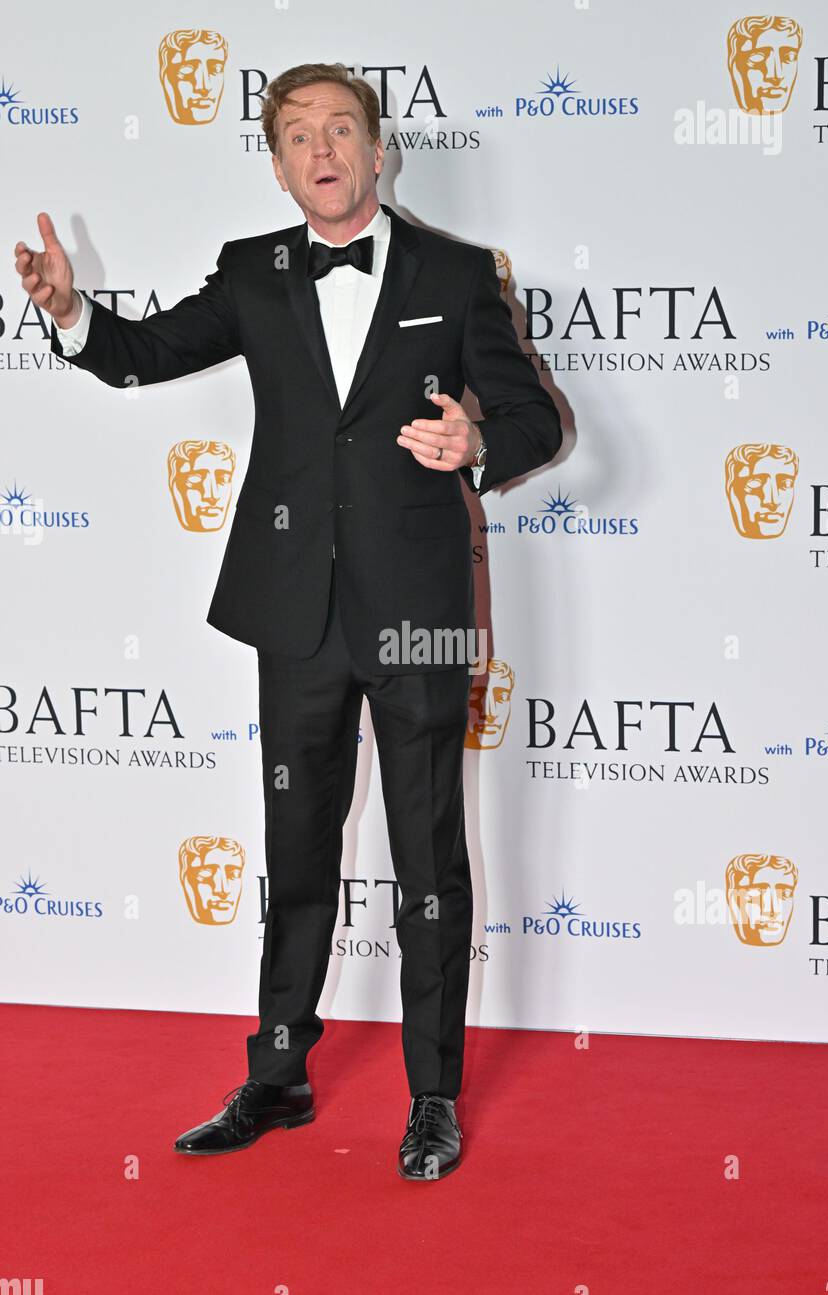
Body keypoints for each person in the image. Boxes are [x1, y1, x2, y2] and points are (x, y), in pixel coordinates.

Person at [14, 61, 562, 1181]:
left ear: (375, 151)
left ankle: (432, 1095)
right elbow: (149, 354)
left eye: (342, 129)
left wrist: (477, 445)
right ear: (277, 165)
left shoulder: (456, 275)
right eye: (299, 134)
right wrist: (72, 313)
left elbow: (534, 419)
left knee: (428, 856)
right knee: (295, 849)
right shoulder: (252, 274)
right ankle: (277, 1075)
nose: (321, 148)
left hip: (418, 614)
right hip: (294, 610)